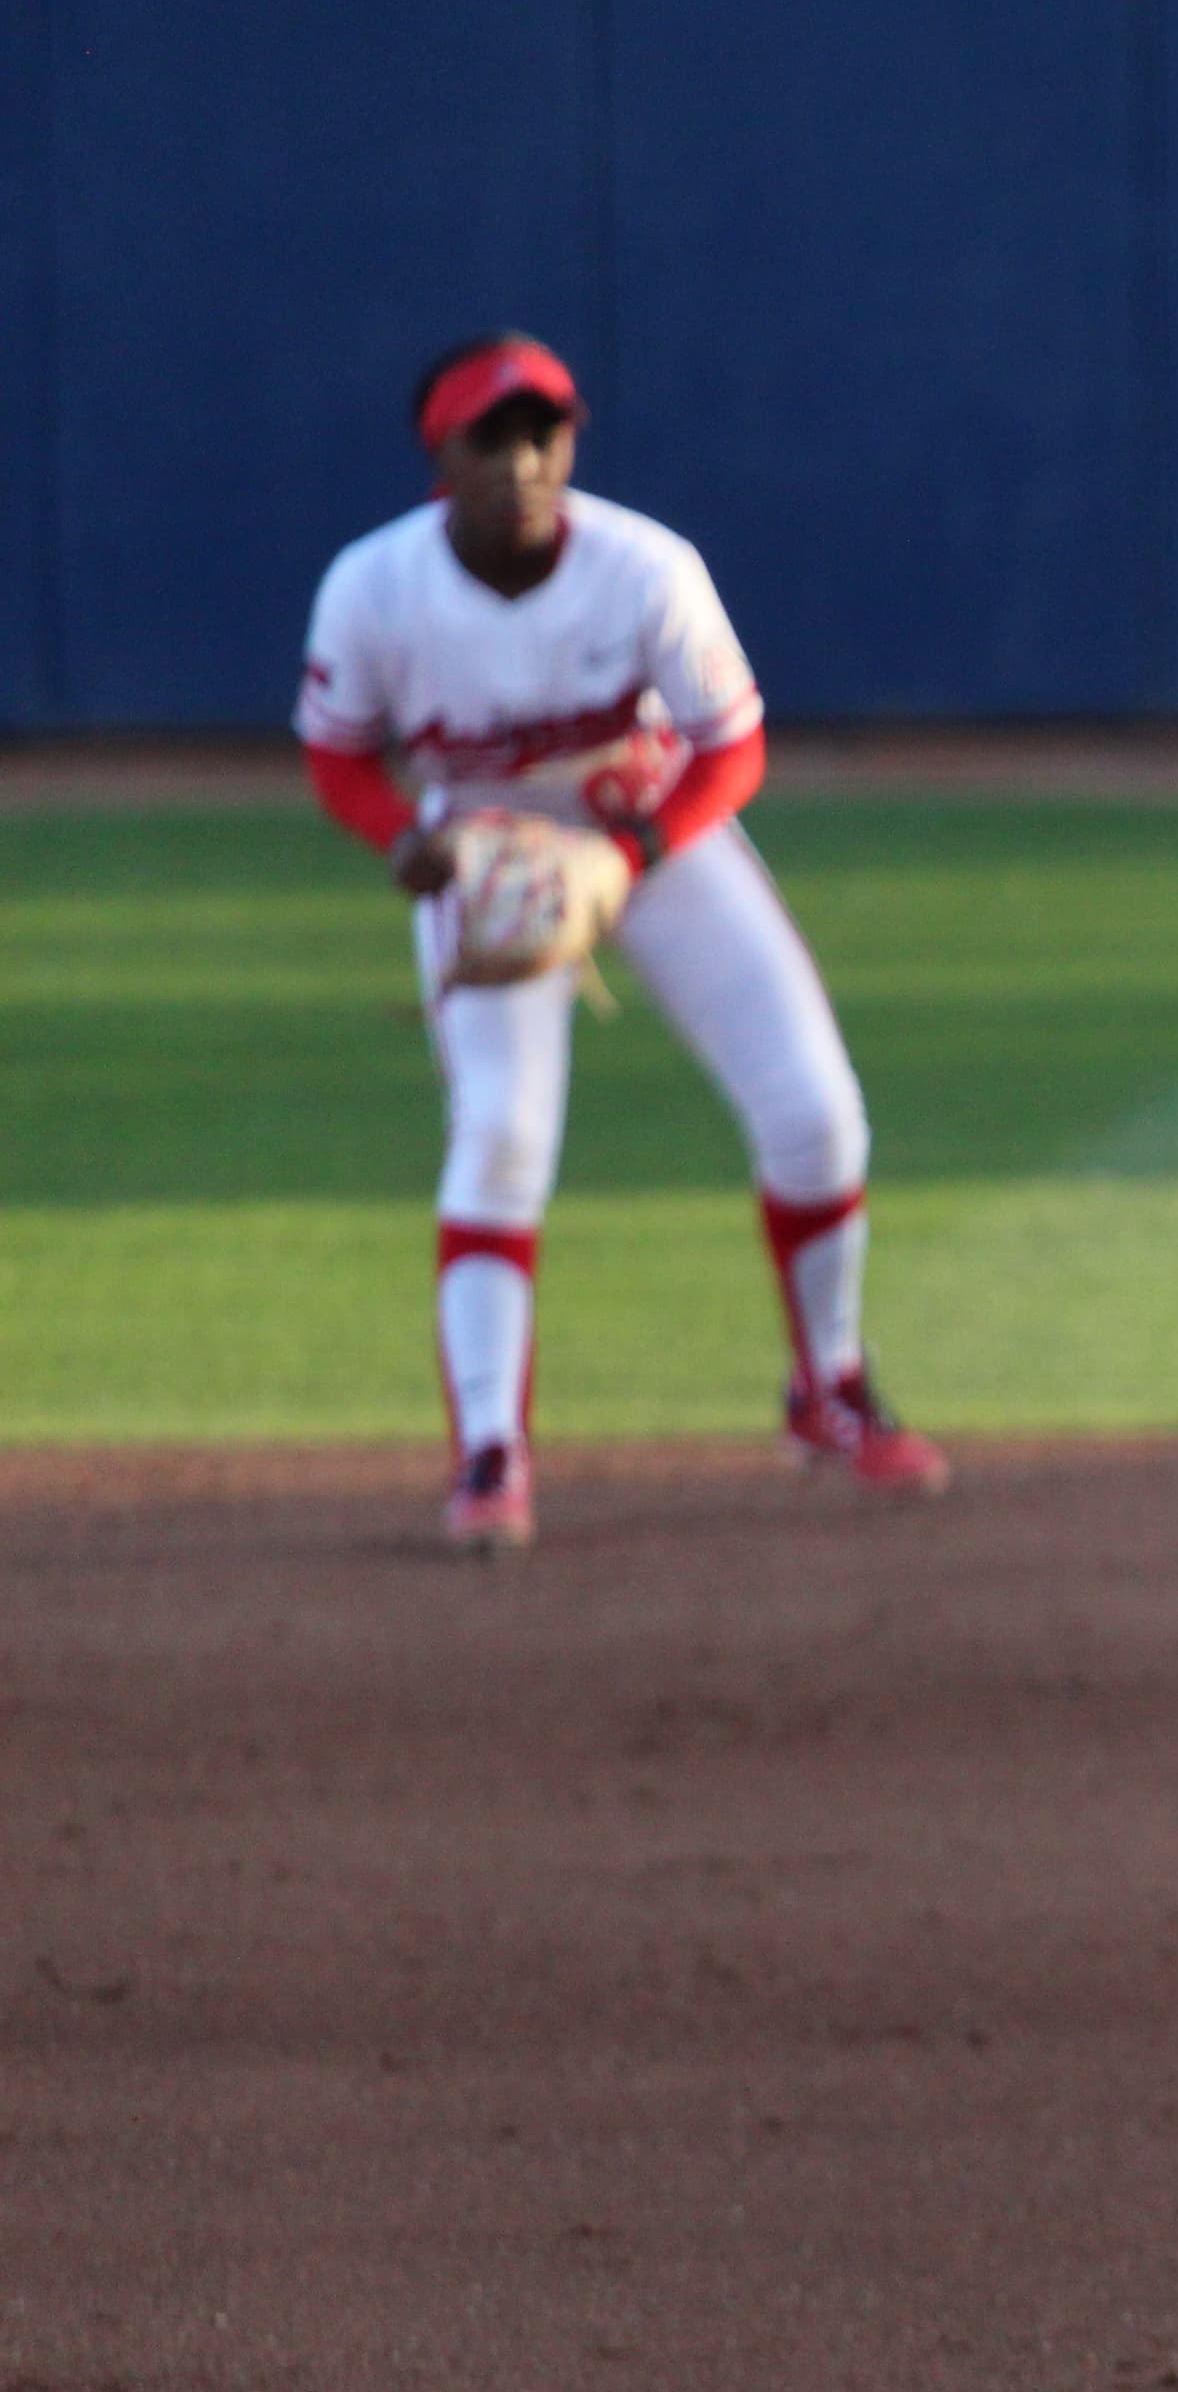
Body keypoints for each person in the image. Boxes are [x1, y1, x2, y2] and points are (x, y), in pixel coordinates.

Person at [295, 334, 946, 1552]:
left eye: (546, 430)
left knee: (817, 1112)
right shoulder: (374, 588)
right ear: (441, 453)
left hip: (649, 837)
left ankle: (831, 1388)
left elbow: (734, 746)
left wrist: (634, 855)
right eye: (494, 435)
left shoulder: (646, 566)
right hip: (486, 865)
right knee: (500, 1133)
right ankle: (491, 1450)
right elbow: (338, 752)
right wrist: (401, 839)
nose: (526, 458)